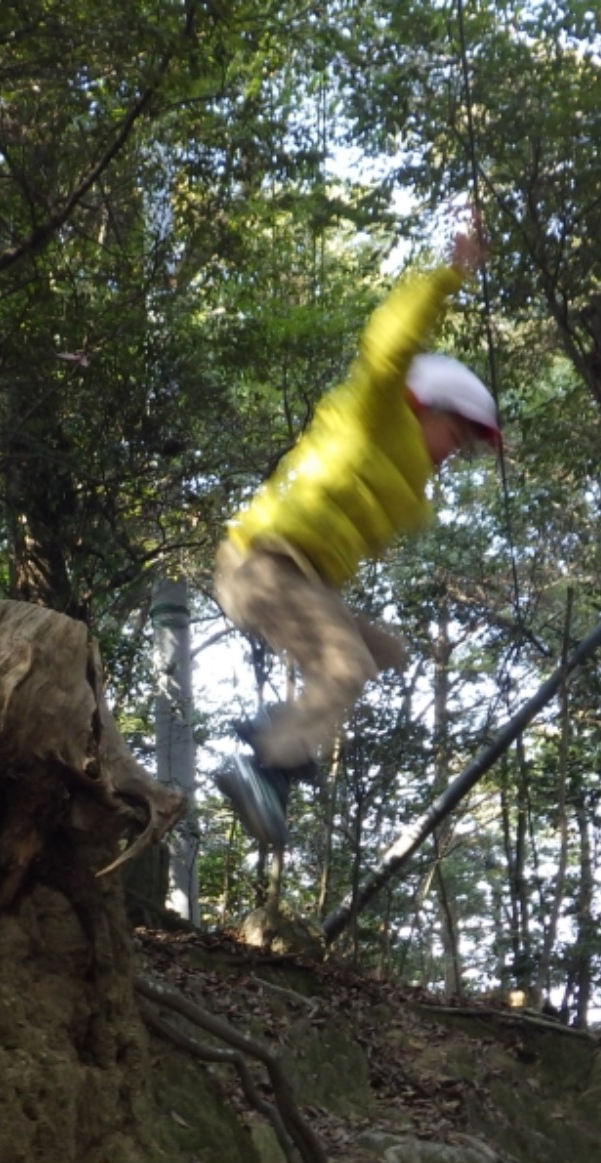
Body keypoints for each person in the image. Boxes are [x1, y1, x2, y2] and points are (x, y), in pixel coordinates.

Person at [214, 228, 499, 847]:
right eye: (456, 435)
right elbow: (389, 345)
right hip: (263, 561)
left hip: (301, 577)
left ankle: (276, 730)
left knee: (386, 651)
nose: (455, 452)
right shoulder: (378, 411)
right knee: (346, 667)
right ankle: (264, 767)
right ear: (425, 407)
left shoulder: (411, 480)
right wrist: (450, 274)